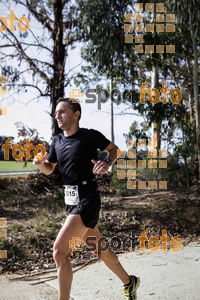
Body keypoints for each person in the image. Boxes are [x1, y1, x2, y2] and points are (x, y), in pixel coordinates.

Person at [33, 98, 139, 300]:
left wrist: (107, 161)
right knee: (99, 248)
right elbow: (49, 168)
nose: (58, 116)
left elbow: (115, 149)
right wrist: (40, 164)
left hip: (87, 200)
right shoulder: (57, 141)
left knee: (59, 252)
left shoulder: (89, 136)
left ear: (76, 114)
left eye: (62, 112)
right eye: (56, 113)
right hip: (71, 202)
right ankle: (129, 282)